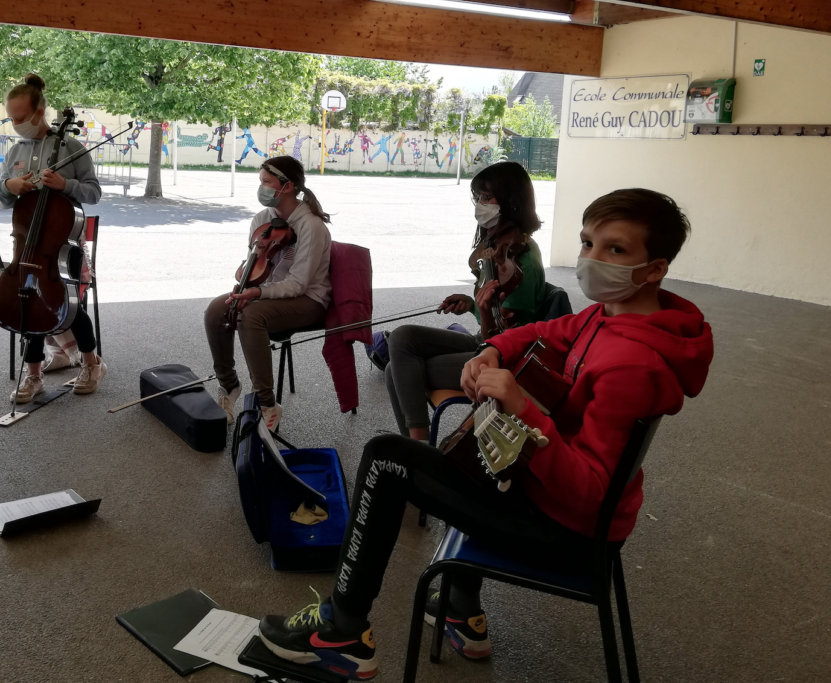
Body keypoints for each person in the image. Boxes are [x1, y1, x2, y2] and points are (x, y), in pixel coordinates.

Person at [256, 189, 714, 680]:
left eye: (615, 249)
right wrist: (491, 350)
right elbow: (544, 332)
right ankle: (460, 606)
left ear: (654, 269)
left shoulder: (632, 367)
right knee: (476, 450)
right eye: (587, 243)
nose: (591, 259)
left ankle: (341, 632)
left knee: (387, 457)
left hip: (565, 531)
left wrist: (522, 408)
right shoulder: (608, 316)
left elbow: (590, 495)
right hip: (548, 499)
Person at [385, 161, 546, 443]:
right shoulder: (500, 247)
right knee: (402, 337)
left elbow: (501, 339)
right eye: (478, 198)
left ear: (511, 201)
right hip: (483, 340)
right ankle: (418, 446)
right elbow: (490, 318)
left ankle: (418, 448)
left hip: (505, 357)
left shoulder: (523, 263)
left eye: (487, 197)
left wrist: (482, 311)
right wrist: (472, 305)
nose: (480, 205)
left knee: (395, 370)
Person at [0, 74, 106, 404]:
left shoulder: (71, 147)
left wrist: (64, 185)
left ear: (39, 113)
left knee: (70, 307)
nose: (16, 124)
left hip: (62, 246)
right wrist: (9, 186)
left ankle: (91, 364)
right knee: (27, 302)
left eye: (20, 117)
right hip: (27, 245)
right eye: (11, 118)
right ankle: (34, 375)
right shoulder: (15, 150)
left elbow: (94, 192)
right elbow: (1, 199)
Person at [204, 156, 332, 432]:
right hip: (267, 293)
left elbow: (297, 285)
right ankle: (229, 386)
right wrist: (244, 284)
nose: (261, 187)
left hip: (308, 300)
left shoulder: (310, 226)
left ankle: (266, 403)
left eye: (266, 182)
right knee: (217, 310)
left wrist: (257, 293)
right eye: (260, 181)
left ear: (287, 186)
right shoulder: (262, 219)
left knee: (250, 315)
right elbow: (256, 268)